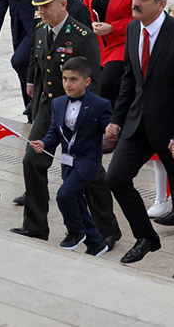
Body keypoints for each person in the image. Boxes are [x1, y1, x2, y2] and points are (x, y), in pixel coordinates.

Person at [104, 0, 174, 282]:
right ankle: (146, 236)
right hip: (138, 125)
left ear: (161, 3)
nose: (135, 2)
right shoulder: (134, 29)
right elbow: (130, 80)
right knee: (116, 178)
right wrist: (117, 119)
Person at [29, 57, 115, 256]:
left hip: (87, 163)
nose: (67, 84)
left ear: (86, 81)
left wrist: (111, 131)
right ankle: (95, 242)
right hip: (67, 162)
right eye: (65, 79)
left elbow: (108, 128)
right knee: (76, 200)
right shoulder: (58, 103)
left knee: (64, 195)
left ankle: (76, 232)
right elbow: (54, 132)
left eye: (73, 79)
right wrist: (44, 143)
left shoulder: (99, 104)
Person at [81, 0, 138, 108]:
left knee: (107, 84)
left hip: (120, 43)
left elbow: (137, 19)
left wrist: (112, 27)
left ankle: (112, 124)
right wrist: (92, 24)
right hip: (97, 43)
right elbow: (86, 9)